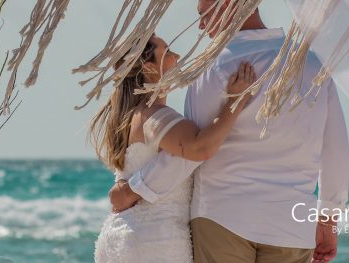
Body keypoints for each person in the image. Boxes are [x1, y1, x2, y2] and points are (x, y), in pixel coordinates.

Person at [109, 0, 349, 263]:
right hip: (291, 223)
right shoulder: (311, 65)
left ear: (228, 6)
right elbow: (335, 148)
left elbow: (192, 151)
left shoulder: (213, 68)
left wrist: (135, 189)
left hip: (222, 218)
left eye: (204, 14)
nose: (201, 26)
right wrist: (328, 219)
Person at [91, 33, 257, 263]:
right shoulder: (153, 116)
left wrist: (131, 190)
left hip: (121, 237)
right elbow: (200, 149)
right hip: (154, 242)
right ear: (147, 66)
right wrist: (234, 102)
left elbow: (174, 162)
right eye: (167, 52)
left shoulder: (132, 116)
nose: (177, 56)